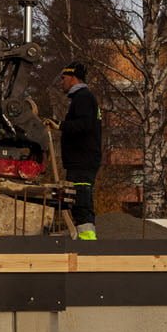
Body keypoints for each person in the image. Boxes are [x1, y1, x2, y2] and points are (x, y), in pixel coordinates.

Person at [58, 61, 102, 241]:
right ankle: (82, 239)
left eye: (64, 78)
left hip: (82, 161)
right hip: (80, 161)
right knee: (76, 202)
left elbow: (84, 125)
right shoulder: (82, 99)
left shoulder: (83, 98)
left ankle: (87, 242)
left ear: (73, 78)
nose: (62, 82)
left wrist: (60, 125)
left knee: (81, 201)